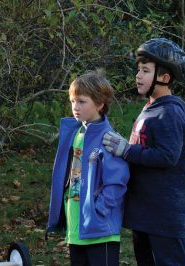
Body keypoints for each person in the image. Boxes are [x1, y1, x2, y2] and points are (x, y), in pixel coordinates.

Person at [102, 37, 185, 265]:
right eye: (138, 70)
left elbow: (167, 156)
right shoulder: (151, 108)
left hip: (163, 213)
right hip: (144, 210)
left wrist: (127, 151)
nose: (138, 76)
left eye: (145, 71)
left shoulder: (169, 112)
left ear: (164, 77)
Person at [47, 71, 130, 266]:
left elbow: (117, 183)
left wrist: (97, 209)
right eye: (73, 101)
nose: (75, 107)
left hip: (101, 232)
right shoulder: (75, 133)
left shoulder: (109, 139)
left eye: (82, 102)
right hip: (76, 229)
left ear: (100, 104)